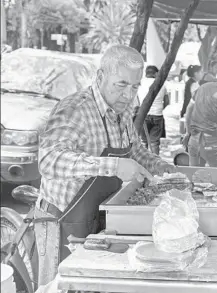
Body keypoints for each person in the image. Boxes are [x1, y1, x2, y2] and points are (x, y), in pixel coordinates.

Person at [34, 45, 176, 285]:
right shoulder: (74, 109)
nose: (128, 96)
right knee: (59, 285)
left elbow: (136, 151)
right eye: (121, 85)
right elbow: (49, 160)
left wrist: (162, 167)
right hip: (63, 220)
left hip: (99, 218)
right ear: (100, 76)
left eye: (134, 87)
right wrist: (114, 166)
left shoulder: (122, 111)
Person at [136, 65, 170, 155]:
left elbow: (136, 101)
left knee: (143, 142)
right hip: (157, 115)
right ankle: (155, 164)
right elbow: (167, 101)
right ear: (156, 73)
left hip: (143, 115)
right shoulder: (161, 84)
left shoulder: (140, 84)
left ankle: (143, 164)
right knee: (154, 142)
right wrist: (159, 108)